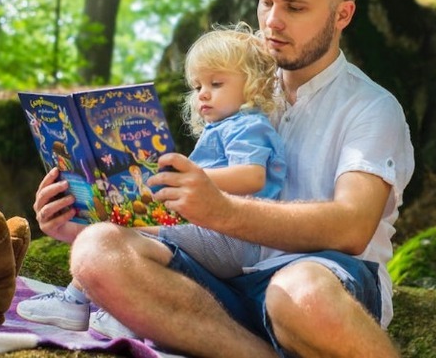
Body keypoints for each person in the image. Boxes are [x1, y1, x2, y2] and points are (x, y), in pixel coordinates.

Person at [34, 0, 414, 357]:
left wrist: (222, 209)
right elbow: (180, 217)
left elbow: (351, 226)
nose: (272, 20)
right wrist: (82, 213)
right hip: (221, 284)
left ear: (342, 15)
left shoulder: (372, 107)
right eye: (266, 1)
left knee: (299, 291)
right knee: (95, 249)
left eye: (294, 7)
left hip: (323, 281)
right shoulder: (236, 89)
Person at [18, 23, 287, 332]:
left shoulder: (249, 125)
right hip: (210, 232)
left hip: (230, 239)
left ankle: (87, 305)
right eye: (197, 86)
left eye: (216, 83)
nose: (203, 95)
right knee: (118, 230)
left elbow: (252, 176)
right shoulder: (223, 127)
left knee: (126, 231)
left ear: (253, 84)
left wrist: (192, 177)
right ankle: (99, 306)